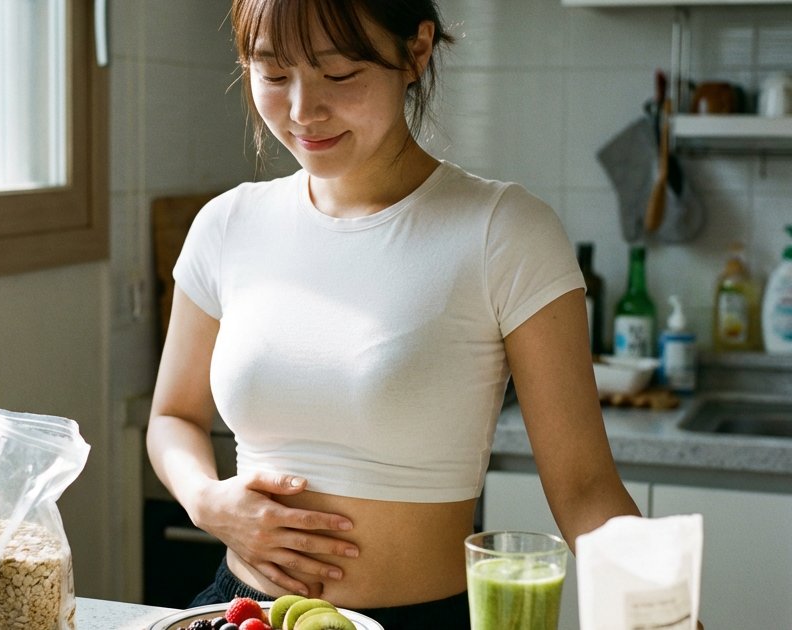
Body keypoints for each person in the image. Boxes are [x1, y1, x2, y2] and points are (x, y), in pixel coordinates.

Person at [146, 0, 642, 627]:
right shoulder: (227, 224)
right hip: (246, 612)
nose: (302, 110)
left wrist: (664, 610)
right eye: (273, 74)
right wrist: (206, 501)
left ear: (416, 51)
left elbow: (585, 489)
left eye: (339, 73)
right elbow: (173, 416)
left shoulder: (504, 232)